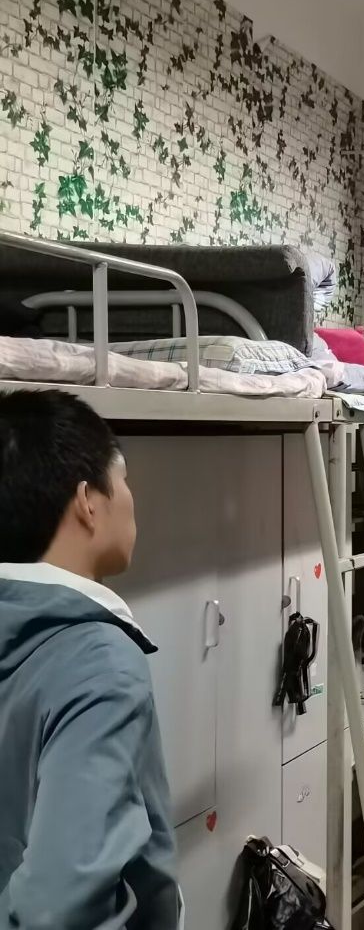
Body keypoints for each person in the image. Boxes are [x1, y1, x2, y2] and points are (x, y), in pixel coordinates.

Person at [0, 389, 181, 928]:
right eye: (122, 481)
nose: (130, 499)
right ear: (87, 501)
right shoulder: (98, 663)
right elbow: (58, 906)